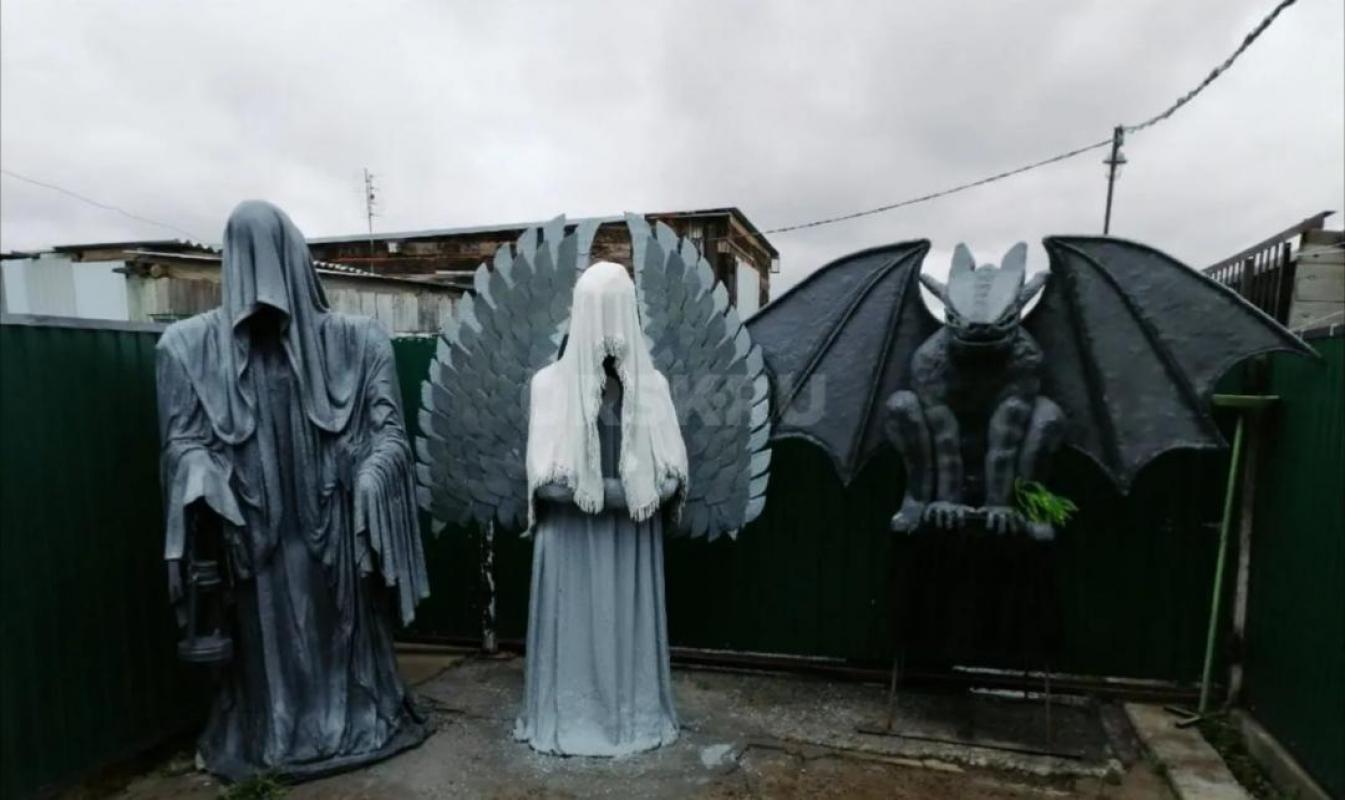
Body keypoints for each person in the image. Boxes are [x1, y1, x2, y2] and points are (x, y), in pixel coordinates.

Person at [155, 200, 430, 781]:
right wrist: (203, 474)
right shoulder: (186, 350)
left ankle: (359, 712)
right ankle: (272, 730)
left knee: (339, 634)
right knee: (268, 641)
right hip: (253, 538)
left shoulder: (360, 343)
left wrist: (371, 478)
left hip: (335, 529)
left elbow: (390, 435)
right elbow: (181, 443)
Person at [515, 260, 687, 756]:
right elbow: (542, 482)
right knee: (572, 633)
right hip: (572, 544)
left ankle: (632, 714)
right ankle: (572, 713)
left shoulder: (653, 388)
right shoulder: (549, 386)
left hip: (630, 543)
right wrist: (619, 494)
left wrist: (644, 490)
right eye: (600, 310)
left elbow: (673, 473)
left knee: (626, 633)